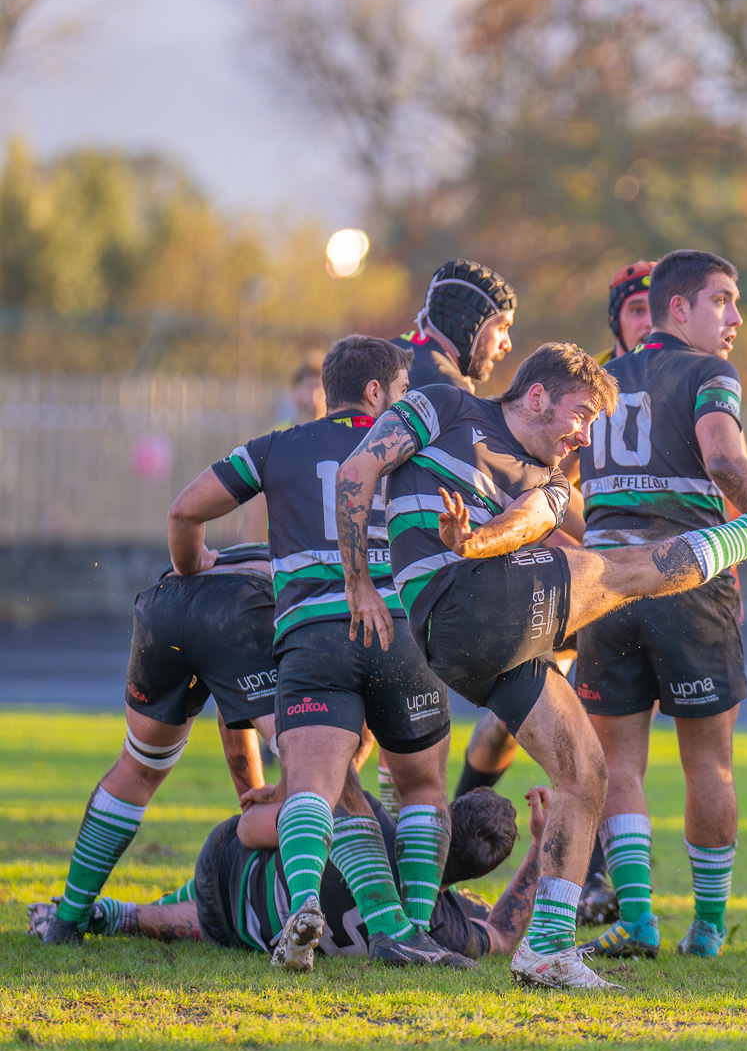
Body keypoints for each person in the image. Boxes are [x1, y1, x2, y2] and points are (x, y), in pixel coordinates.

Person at [336, 337, 747, 988]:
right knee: (633, 567)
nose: (583, 435)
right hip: (469, 607)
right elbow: (355, 471)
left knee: (586, 771)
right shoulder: (442, 405)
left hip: (472, 637)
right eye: (580, 415)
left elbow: (521, 521)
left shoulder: (549, 483)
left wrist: (477, 538)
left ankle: (547, 949)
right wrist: (358, 583)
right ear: (536, 394)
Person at [568, 249, 747, 963]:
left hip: (603, 585)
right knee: (709, 765)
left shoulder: (595, 382)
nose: (737, 317)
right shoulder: (709, 372)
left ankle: (637, 921)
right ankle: (709, 928)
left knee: (616, 764)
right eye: (723, 300)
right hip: (688, 578)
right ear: (678, 309)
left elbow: (555, 483)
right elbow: (723, 461)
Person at [165, 335, 471, 970]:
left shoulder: (278, 447)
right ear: (374, 394)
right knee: (420, 789)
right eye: (403, 390)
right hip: (401, 633)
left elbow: (184, 510)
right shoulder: (419, 446)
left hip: (313, 639)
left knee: (313, 789)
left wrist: (193, 565)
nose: (409, 402)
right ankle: (410, 929)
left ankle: (304, 905)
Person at [450, 258, 661, 926]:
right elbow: (553, 486)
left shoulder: (690, 383)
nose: (649, 322)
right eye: (637, 310)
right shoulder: (590, 384)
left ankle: (595, 885)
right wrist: (578, 546)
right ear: (618, 320)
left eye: (659, 309)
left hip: (619, 579)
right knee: (507, 732)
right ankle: (454, 840)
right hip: (566, 578)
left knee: (602, 745)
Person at [38, 542, 278, 946]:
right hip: (244, 603)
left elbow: (231, 710)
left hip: (166, 602)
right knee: (314, 768)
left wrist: (250, 802)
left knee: (138, 765)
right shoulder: (356, 579)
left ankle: (67, 921)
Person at [31, 786, 547, 964]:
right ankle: (124, 915)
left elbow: (251, 831)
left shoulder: (362, 816)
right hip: (239, 928)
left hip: (228, 864)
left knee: (251, 869)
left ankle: (101, 911)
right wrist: (541, 848)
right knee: (223, 915)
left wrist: (282, 803)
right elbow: (503, 932)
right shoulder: (442, 930)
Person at [392, 259, 518, 393]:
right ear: (466, 321)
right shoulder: (448, 388)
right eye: (502, 327)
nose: (507, 344)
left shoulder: (387, 349)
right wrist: (463, 402)